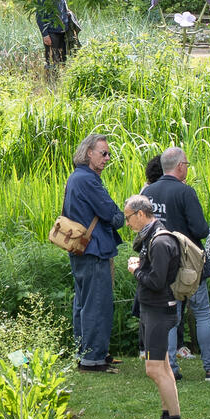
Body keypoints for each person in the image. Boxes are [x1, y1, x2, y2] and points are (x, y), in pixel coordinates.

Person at [141, 147, 210, 380]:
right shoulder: (185, 192)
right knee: (202, 313)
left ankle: (171, 368)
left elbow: (143, 229)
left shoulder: (148, 193)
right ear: (180, 166)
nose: (187, 168)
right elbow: (201, 229)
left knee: (170, 315)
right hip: (190, 264)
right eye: (186, 164)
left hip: (161, 262)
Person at [124, 195, 190, 419]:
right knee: (162, 367)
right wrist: (141, 264)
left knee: (154, 369)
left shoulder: (160, 241)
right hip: (152, 310)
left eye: (129, 217)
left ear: (141, 214)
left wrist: (136, 270)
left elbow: (156, 281)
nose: (127, 223)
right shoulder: (152, 237)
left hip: (159, 311)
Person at [63, 133, 126, 373]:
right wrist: (120, 216)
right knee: (97, 304)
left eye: (108, 154)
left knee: (83, 303)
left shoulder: (76, 177)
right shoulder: (88, 180)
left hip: (81, 248)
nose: (107, 158)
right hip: (94, 249)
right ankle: (93, 357)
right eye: (103, 153)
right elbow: (112, 214)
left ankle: (84, 353)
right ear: (89, 153)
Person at [33, 0, 76, 71]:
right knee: (52, 63)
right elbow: (39, 16)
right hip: (51, 32)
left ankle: (61, 79)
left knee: (63, 61)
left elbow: (63, 7)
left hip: (63, 31)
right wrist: (45, 35)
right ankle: (51, 79)